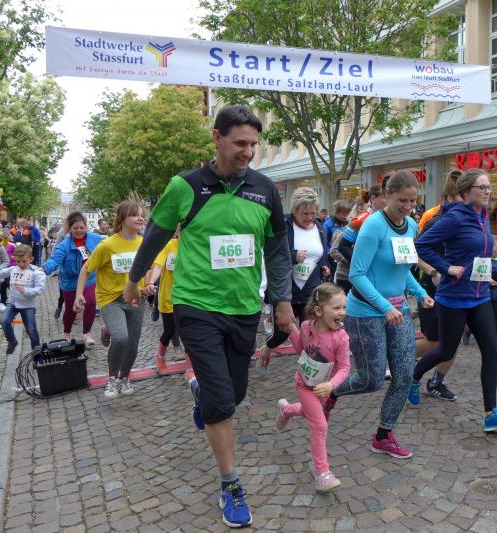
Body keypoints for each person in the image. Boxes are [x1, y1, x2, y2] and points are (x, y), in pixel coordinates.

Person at [124, 106, 292, 528]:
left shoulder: (265, 189)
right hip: (196, 305)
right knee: (221, 404)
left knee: (234, 395)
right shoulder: (186, 186)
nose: (248, 152)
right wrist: (134, 278)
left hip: (244, 307)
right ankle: (231, 484)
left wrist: (282, 299)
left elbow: (277, 248)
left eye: (253, 144)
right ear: (217, 138)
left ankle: (203, 393)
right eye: (240, 143)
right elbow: (155, 235)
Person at [323, 170, 433, 460]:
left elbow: (403, 268)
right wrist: (385, 307)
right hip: (366, 312)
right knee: (370, 380)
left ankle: (383, 436)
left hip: (398, 310)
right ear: (387, 196)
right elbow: (357, 274)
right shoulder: (373, 226)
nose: (408, 207)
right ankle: (331, 392)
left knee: (404, 375)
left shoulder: (411, 225)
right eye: (402, 200)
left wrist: (421, 293)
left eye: (413, 201)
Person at [410, 169, 497, 431]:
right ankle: (413, 377)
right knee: (446, 351)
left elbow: (480, 255)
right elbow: (421, 246)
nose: (488, 191)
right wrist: (445, 268)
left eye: (489, 187)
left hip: (480, 296)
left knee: (490, 351)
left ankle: (491, 414)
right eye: (482, 187)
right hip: (454, 297)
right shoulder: (454, 217)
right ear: (467, 191)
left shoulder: (482, 217)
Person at [275, 283, 351, 492]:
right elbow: (301, 349)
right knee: (320, 425)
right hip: (304, 384)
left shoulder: (341, 338)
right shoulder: (307, 327)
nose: (342, 312)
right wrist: (293, 330)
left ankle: (287, 409)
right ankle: (322, 473)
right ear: (318, 311)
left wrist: (331, 384)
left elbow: (345, 367)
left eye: (344, 307)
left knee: (308, 412)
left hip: (323, 388)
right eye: (336, 308)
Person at [75, 199, 146, 397]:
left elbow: (147, 268)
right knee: (121, 338)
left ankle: (125, 378)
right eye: (135, 214)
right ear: (122, 219)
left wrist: (148, 285)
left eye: (141, 215)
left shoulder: (144, 244)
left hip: (135, 298)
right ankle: (112, 379)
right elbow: (86, 269)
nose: (140, 218)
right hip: (111, 299)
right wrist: (79, 294)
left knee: (132, 344)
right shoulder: (107, 245)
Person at [258, 187, 329, 375]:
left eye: (312, 213)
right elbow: (272, 255)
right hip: (286, 291)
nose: (309, 217)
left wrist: (324, 265)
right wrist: (293, 255)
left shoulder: (319, 226)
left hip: (310, 291)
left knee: (310, 333)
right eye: (305, 213)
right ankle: (267, 348)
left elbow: (321, 252)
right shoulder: (283, 225)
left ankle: (309, 373)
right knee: (281, 333)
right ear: (294, 210)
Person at [413, 170, 462, 401]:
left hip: (459, 291)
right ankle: (398, 359)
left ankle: (436, 382)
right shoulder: (435, 220)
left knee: (452, 341)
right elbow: (416, 252)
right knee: (434, 341)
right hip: (432, 289)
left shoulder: (470, 222)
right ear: (453, 194)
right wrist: (434, 272)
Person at [41, 212, 104, 345]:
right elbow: (54, 260)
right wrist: (44, 269)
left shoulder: (96, 239)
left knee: (91, 302)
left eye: (82, 227)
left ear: (86, 227)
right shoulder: (64, 246)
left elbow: (109, 247)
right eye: (75, 228)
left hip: (89, 278)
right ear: (70, 229)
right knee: (72, 309)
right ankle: (67, 332)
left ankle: (87, 333)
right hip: (70, 281)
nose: (79, 230)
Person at [0, 245, 45, 354]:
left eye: (24, 261)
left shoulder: (36, 272)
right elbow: (1, 273)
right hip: (13, 302)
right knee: (5, 321)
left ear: (31, 259)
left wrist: (25, 290)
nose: (21, 264)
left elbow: (40, 289)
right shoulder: (13, 269)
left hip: (28, 305)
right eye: (18, 261)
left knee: (31, 330)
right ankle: (12, 342)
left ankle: (37, 351)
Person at [144, 228, 182, 375]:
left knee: (190, 332)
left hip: (192, 297)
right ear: (178, 231)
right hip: (169, 296)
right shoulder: (169, 245)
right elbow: (158, 266)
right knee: (169, 330)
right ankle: (160, 356)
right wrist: (150, 282)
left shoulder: (197, 245)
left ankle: (191, 366)